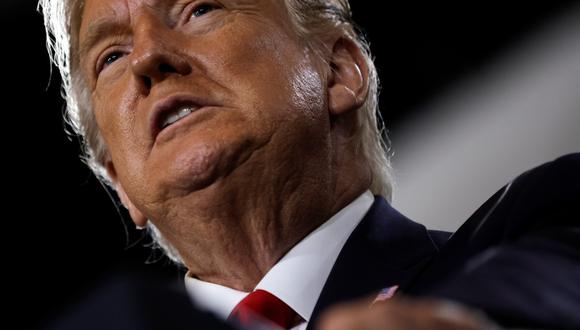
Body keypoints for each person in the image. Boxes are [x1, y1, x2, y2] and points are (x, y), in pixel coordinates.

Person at [39, 0, 579, 329]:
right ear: (118, 184)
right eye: (110, 56)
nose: (146, 57)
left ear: (339, 71)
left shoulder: (528, 230)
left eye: (199, 8)